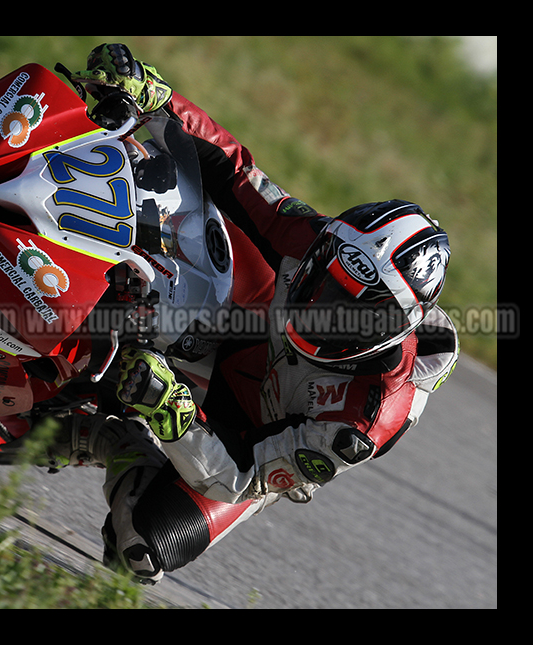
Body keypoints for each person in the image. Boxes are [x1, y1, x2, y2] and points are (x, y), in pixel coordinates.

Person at [44, 43, 460, 584]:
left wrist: (171, 412)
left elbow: (242, 478)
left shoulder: (365, 417)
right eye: (323, 282)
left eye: (349, 311)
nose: (322, 310)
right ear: (327, 249)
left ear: (391, 327)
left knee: (140, 549)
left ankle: (100, 435)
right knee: (160, 235)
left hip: (252, 442)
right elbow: (236, 172)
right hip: (242, 332)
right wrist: (158, 98)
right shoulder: (315, 237)